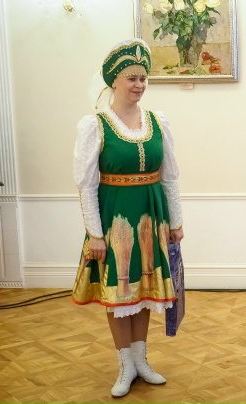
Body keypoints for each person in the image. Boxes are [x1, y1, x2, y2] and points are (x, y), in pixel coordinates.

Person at [72, 38, 184, 398]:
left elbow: (170, 176)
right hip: (115, 220)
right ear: (114, 81)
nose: (139, 85)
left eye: (143, 78)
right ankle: (124, 365)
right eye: (131, 78)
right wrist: (95, 234)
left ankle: (141, 360)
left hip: (152, 218)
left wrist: (176, 222)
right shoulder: (95, 125)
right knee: (120, 292)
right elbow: (86, 185)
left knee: (145, 290)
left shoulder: (157, 121)